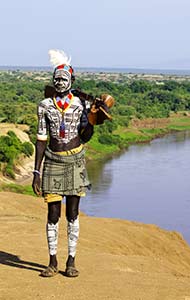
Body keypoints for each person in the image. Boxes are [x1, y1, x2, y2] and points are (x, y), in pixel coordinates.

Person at [32, 50, 95, 278]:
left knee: (73, 213)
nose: (59, 82)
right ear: (52, 81)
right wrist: (36, 171)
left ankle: (71, 261)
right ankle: (52, 261)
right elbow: (41, 140)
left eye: (63, 79)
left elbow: (86, 136)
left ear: (72, 81)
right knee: (52, 214)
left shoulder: (80, 105)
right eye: (56, 79)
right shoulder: (45, 106)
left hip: (75, 160)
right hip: (52, 160)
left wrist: (91, 119)